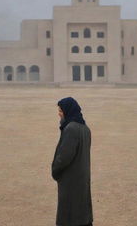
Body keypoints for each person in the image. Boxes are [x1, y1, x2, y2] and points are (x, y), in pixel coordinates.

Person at [51, 97, 93, 226]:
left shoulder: (71, 129)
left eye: (61, 110)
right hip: (82, 177)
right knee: (81, 212)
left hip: (71, 179)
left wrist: (55, 171)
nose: (59, 113)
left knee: (70, 215)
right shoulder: (85, 129)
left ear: (68, 111)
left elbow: (64, 157)